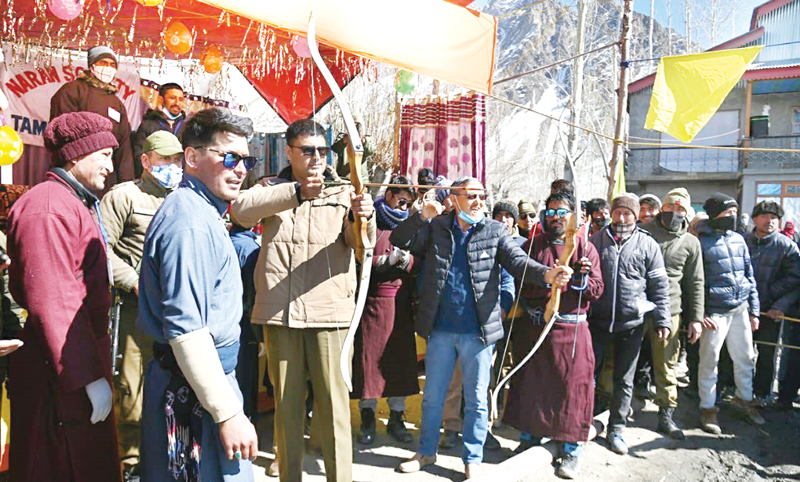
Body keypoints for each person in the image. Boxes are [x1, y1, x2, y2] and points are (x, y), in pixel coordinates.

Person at [391, 176, 572, 479]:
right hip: (440, 329)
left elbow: (519, 264)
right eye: (471, 196)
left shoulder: (495, 230)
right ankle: (425, 451)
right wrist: (422, 215)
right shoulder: (437, 227)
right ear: (455, 198)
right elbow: (400, 240)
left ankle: (471, 458)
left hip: (479, 332)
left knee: (476, 400)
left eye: (481, 196)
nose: (478, 202)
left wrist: (548, 276)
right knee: (433, 396)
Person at [230, 118, 376, 482]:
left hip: (330, 315)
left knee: (335, 411)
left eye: (323, 151)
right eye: (308, 151)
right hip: (281, 315)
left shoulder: (343, 192)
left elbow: (362, 246)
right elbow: (240, 211)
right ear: (290, 151)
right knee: (287, 410)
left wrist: (365, 218)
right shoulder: (271, 188)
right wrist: (295, 193)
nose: (317, 158)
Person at [138, 108, 258, 481]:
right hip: (193, 389)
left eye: (246, 160)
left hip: (203, 382)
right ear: (192, 157)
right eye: (230, 157)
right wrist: (227, 412)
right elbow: (185, 330)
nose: (240, 168)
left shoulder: (202, 210)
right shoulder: (187, 219)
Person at [7, 111, 122, 481]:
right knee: (58, 467)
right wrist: (87, 376)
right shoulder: (48, 207)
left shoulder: (72, 200)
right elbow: (54, 300)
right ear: (75, 155)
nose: (111, 164)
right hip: (57, 372)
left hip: (72, 362)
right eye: (104, 154)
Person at [100, 130, 184, 480]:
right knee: (132, 392)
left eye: (176, 161)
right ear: (146, 160)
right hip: (136, 310)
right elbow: (99, 250)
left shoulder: (183, 199)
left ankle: (168, 460)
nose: (171, 167)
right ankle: (130, 464)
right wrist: (132, 281)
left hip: (176, 311)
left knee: (174, 389)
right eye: (164, 160)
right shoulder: (124, 197)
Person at [503, 189, 604, 479]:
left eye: (562, 213)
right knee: (532, 385)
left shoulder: (585, 248)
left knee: (572, 390)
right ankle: (529, 440)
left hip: (571, 328)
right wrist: (546, 282)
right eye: (551, 212)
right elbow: (521, 280)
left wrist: (581, 277)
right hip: (537, 327)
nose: (556, 218)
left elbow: (596, 290)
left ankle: (571, 451)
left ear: (572, 216)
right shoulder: (533, 245)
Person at [589, 193, 671, 455]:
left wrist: (662, 320)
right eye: (618, 212)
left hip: (632, 323)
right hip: (598, 322)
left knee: (625, 379)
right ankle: (581, 422)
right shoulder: (596, 241)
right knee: (588, 374)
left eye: (627, 213)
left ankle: (616, 428)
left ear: (636, 216)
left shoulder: (648, 245)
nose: (622, 217)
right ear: (611, 213)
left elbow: (659, 286)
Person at [353, 176, 419, 446]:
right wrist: (382, 260)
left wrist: (408, 259)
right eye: (401, 199)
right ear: (389, 194)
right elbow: (357, 254)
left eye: (409, 202)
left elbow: (422, 261)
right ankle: (367, 417)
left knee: (399, 365)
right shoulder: (370, 221)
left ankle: (396, 417)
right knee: (369, 366)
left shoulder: (413, 227)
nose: (404, 206)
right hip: (371, 304)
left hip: (401, 306)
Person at [695, 193, 764, 434]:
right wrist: (699, 312)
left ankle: (745, 402)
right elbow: (694, 282)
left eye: (734, 212)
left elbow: (749, 276)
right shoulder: (700, 241)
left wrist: (754, 310)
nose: (732, 217)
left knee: (745, 358)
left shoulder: (738, 239)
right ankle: (708, 409)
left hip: (740, 309)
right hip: (713, 313)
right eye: (727, 213)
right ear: (715, 215)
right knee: (709, 362)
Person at [640, 188, 705, 440]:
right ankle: (612, 410)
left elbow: (695, 282)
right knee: (622, 360)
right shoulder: (643, 232)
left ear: (686, 213)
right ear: (662, 208)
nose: (674, 213)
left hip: (671, 311)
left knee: (666, 365)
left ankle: (665, 416)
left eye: (680, 209)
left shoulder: (691, 242)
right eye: (670, 208)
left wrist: (696, 318)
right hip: (637, 306)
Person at [51, 46, 134, 187]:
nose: (108, 68)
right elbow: (61, 133)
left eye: (112, 65)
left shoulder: (116, 103)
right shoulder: (72, 90)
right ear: (92, 65)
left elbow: (124, 145)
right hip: (76, 173)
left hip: (106, 175)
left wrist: (126, 183)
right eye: (103, 63)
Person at [746, 201, 800, 405]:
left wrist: (779, 304)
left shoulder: (787, 246)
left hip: (771, 311)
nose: (769, 221)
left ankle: (762, 395)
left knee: (767, 355)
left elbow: (795, 280)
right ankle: (738, 391)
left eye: (774, 218)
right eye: (764, 216)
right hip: (745, 309)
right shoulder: (742, 242)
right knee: (740, 353)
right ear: (754, 219)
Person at [131, 83, 187, 178]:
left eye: (181, 99)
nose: (177, 103)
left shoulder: (187, 127)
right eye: (172, 98)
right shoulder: (148, 125)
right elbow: (139, 156)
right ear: (161, 99)